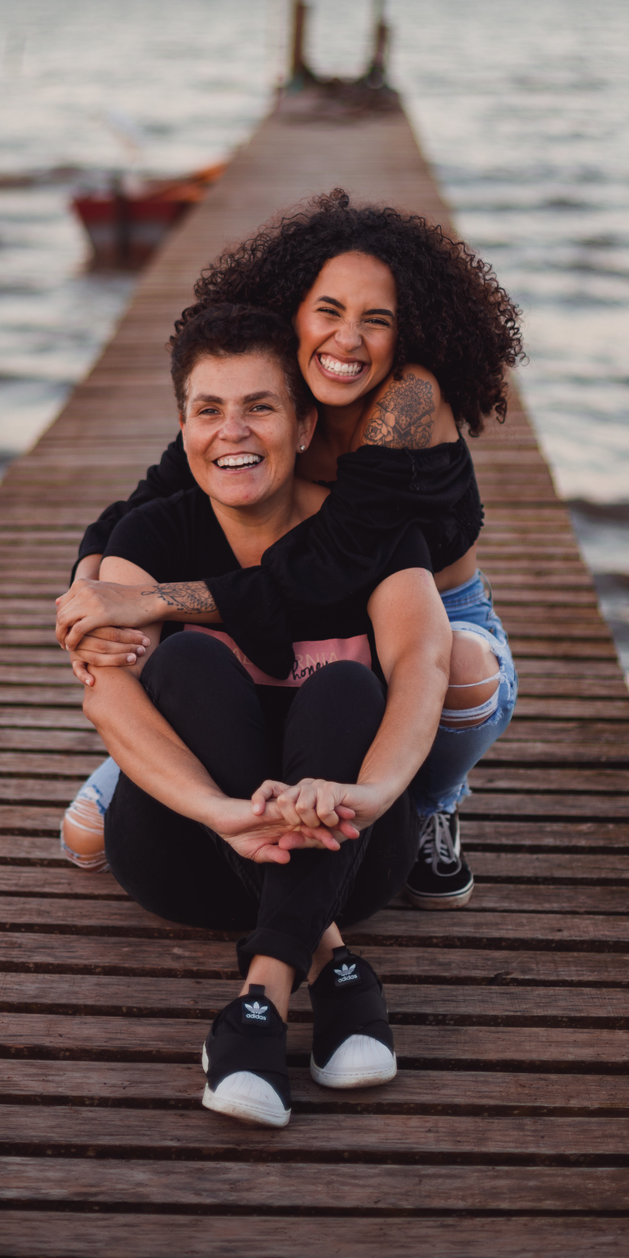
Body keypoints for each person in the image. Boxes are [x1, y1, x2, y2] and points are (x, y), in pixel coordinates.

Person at [56, 188, 524, 907]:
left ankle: (430, 802)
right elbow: (152, 499)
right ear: (293, 310)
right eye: (328, 311)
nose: (347, 341)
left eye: (378, 321)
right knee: (98, 819)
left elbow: (323, 567)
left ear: (408, 335)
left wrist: (149, 596)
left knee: (460, 670)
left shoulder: (409, 401)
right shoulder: (269, 387)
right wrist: (89, 592)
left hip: (411, 609)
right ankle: (150, 766)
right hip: (296, 618)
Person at [74, 303, 451, 1128]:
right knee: (187, 661)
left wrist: (376, 795)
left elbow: (425, 664)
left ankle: (260, 1001)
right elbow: (105, 688)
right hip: (189, 855)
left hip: (355, 851)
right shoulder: (153, 534)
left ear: (305, 421)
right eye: (209, 409)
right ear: (183, 426)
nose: (231, 431)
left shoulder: (368, 537)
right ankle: (334, 966)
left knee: (350, 691)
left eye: (260, 406)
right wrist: (224, 814)